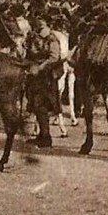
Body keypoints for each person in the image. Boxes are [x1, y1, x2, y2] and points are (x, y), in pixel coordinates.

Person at [23, 15, 64, 146]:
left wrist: (40, 67)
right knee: (35, 105)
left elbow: (54, 57)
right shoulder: (33, 36)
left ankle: (46, 137)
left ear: (47, 22)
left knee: (42, 106)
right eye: (37, 19)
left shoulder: (51, 38)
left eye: (42, 20)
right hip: (34, 75)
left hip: (46, 77)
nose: (39, 22)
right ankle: (42, 134)